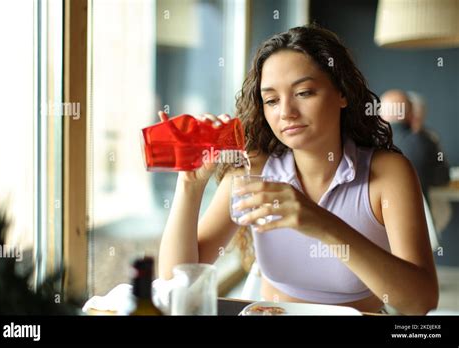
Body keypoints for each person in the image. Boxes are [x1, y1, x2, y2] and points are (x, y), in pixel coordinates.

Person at [158, 25, 438, 315]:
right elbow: (174, 284)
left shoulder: (387, 173)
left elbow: (420, 302)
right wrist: (189, 185)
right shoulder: (251, 169)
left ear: (342, 93)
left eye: (303, 92)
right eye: (271, 100)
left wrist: (321, 222)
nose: (286, 112)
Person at [380, 90, 450, 203]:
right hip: (421, 214)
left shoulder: (367, 143)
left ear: (381, 114)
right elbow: (444, 178)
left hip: (376, 217)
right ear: (411, 114)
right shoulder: (427, 141)